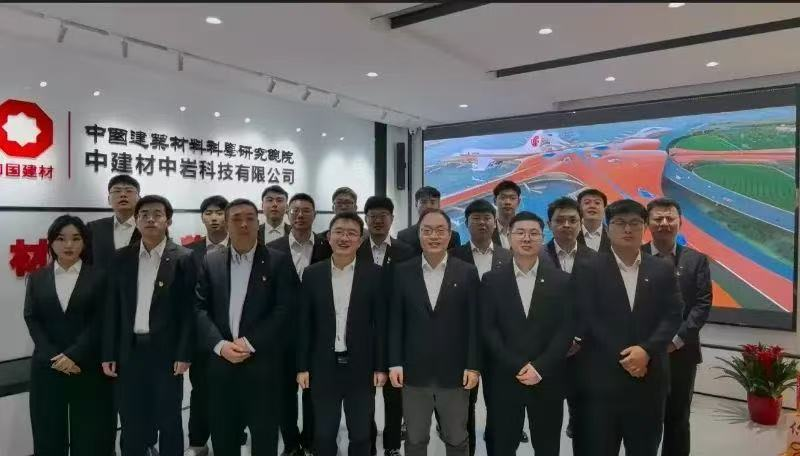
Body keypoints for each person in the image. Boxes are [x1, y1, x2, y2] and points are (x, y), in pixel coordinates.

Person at [571, 199, 682, 456]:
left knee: (644, 449)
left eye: (635, 223)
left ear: (645, 228)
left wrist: (646, 351)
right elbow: (586, 317)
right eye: (620, 223)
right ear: (608, 228)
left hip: (649, 380)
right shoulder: (588, 268)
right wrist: (627, 357)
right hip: (601, 381)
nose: (628, 229)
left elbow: (673, 315)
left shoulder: (662, 268)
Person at [195, 198, 293, 456]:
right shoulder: (211, 261)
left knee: (264, 439)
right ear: (226, 224)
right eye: (236, 219)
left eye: (250, 218)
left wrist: (250, 342)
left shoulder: (278, 261)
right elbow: (199, 309)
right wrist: (219, 345)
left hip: (263, 368)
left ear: (258, 222)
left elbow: (284, 310)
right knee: (224, 437)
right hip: (221, 366)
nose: (244, 224)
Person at [102, 195, 196, 456]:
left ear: (168, 221)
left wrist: (184, 353)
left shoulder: (184, 258)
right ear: (136, 220)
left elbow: (189, 311)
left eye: (157, 214)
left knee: (169, 418)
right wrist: (108, 352)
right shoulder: (121, 258)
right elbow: (112, 309)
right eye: (144, 214)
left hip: (166, 353)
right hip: (129, 351)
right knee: (131, 416)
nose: (150, 219)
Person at [480, 211, 573, 456]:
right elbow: (488, 329)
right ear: (509, 237)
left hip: (547, 377)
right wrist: (516, 365)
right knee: (501, 445)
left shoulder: (562, 281)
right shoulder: (491, 280)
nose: (527, 238)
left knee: (547, 446)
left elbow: (566, 330)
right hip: (504, 377)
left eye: (533, 233)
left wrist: (540, 367)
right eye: (520, 232)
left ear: (542, 238)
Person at [389, 208, 480, 456]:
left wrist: (473, 365)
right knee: (415, 437)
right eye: (427, 231)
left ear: (450, 235)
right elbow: (396, 320)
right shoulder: (402, 271)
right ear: (418, 234)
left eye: (440, 231)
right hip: (413, 372)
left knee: (457, 437)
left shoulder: (467, 272)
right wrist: (394, 362)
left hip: (455, 373)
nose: (434, 236)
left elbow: (474, 322)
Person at [297, 212, 387, 456]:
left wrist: (380, 366)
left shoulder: (375, 274)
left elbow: (380, 324)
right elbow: (305, 323)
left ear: (360, 240)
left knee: (361, 433)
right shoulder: (312, 274)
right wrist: (302, 366)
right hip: (323, 366)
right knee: (324, 433)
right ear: (329, 237)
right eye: (339, 232)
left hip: (361, 366)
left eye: (351, 233)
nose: (344, 238)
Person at [24, 215, 115, 456]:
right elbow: (32, 318)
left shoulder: (99, 276)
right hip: (48, 366)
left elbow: (101, 320)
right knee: (47, 431)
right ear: (51, 242)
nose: (68, 245)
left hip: (87, 365)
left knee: (90, 434)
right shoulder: (37, 277)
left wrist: (74, 354)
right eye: (61, 238)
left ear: (84, 242)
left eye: (76, 238)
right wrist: (55, 357)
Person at [643, 198, 712, 456]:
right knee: (643, 418)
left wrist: (676, 340)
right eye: (658, 218)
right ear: (647, 223)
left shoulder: (696, 260)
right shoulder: (634, 256)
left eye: (670, 218)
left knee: (678, 418)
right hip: (643, 353)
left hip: (682, 353)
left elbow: (702, 305)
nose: (664, 223)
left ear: (680, 223)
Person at [267, 193, 330, 456]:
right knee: (284, 392)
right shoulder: (273, 248)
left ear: (315, 215)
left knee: (314, 391)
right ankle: (291, 443)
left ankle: (311, 440)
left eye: (306, 210)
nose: (300, 215)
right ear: (287, 214)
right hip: (283, 334)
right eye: (295, 211)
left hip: (319, 332)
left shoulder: (328, 246)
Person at [448, 198, 511, 456]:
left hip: (500, 344)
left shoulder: (509, 257)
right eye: (476, 219)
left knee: (499, 406)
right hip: (464, 344)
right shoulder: (453, 256)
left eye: (487, 218)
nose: (482, 223)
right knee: (465, 408)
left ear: (495, 223)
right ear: (466, 223)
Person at [359, 196, 415, 456]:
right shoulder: (356, 248)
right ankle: (369, 442)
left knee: (395, 394)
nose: (378, 220)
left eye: (383, 215)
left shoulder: (407, 251)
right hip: (363, 332)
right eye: (373, 216)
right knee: (365, 396)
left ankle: (392, 444)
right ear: (366, 219)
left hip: (397, 332)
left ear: (392, 219)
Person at [543, 196, 596, 439]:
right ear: (549, 224)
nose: (566, 225)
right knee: (546, 412)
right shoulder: (535, 257)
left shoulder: (597, 260)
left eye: (572, 220)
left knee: (582, 407)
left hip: (584, 346)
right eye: (560, 220)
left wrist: (578, 338)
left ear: (581, 223)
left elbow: (598, 305)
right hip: (545, 345)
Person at [184, 195, 230, 456]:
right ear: (202, 217)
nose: (214, 218)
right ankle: (198, 442)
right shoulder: (190, 252)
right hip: (201, 335)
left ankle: (232, 435)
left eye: (219, 212)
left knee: (231, 392)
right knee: (200, 390)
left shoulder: (242, 248)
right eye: (209, 213)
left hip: (234, 336)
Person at [88, 175, 142, 268]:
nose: (123, 195)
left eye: (129, 191)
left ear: (139, 199)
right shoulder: (93, 228)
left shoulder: (148, 228)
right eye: (117, 191)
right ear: (109, 199)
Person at [397, 187, 461, 253]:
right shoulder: (403, 237)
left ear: (439, 205)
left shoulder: (453, 237)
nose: (428, 206)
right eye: (423, 202)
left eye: (432, 202)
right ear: (416, 204)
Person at [316, 187, 359, 260]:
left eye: (347, 202)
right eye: (339, 203)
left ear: (355, 207)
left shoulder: (365, 237)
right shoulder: (320, 239)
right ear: (333, 208)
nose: (343, 207)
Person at [575, 188, 611, 253]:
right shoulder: (570, 234)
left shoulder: (614, 235)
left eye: (597, 203)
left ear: (604, 209)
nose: (592, 206)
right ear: (579, 208)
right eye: (587, 203)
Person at [492, 180, 522, 250]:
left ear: (518, 201)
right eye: (503, 198)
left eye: (512, 198)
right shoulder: (488, 231)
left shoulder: (527, 228)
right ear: (495, 201)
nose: (507, 202)